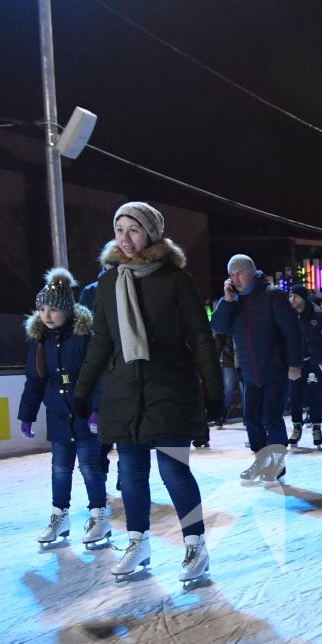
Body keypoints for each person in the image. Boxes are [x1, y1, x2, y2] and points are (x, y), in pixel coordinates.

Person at [73, 202, 221, 585]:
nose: (125, 238)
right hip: (123, 393)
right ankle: (137, 541)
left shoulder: (175, 280)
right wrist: (83, 390)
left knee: (174, 470)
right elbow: (101, 342)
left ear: (151, 234)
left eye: (133, 229)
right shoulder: (108, 283)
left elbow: (200, 338)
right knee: (131, 472)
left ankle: (195, 543)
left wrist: (214, 390)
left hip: (170, 388)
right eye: (119, 229)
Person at [18, 267, 110, 551]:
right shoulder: (40, 340)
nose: (47, 315)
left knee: (90, 467)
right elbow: (35, 379)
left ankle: (99, 516)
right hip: (58, 414)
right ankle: (60, 516)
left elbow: (98, 375)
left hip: (83, 411)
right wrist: (27, 415)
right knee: (60, 468)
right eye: (42, 308)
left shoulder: (84, 335)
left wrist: (97, 410)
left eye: (53, 309)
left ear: (68, 310)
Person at [209, 253, 300, 486]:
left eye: (239, 273)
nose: (235, 279)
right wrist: (227, 301)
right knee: (251, 419)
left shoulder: (273, 296)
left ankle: (276, 468)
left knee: (271, 418)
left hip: (276, 370)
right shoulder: (235, 301)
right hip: (249, 372)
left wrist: (294, 364)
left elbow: (292, 332)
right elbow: (218, 326)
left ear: (251, 271)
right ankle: (261, 461)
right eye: (231, 275)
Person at [285, 285, 322, 450]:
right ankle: (297, 426)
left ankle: (316, 427)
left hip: (314, 362)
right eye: (290, 296)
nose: (292, 300)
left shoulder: (318, 316)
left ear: (303, 298)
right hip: (295, 364)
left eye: (295, 296)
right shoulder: (288, 317)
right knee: (294, 397)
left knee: (314, 396)